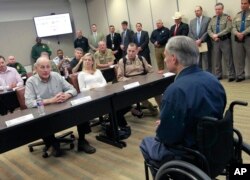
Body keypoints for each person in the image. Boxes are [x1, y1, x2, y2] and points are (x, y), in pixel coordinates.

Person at [140, 36, 226, 177]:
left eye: (165, 55)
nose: (165, 59)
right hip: (216, 144)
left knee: (147, 143)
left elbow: (167, 137)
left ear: (174, 58)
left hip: (190, 154)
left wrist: (163, 126)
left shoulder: (175, 90)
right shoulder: (213, 79)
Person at [25, 56, 96, 157]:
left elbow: (73, 90)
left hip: (61, 108)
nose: (46, 70)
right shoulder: (31, 81)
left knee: (80, 109)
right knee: (43, 122)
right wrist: (50, 100)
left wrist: (66, 95)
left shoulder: (56, 76)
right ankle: (52, 144)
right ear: (36, 68)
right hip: (45, 113)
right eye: (42, 67)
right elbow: (29, 103)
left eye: (48, 67)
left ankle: (82, 141)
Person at [78, 53, 131, 136]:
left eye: (89, 60)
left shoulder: (98, 71)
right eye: (85, 60)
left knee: (123, 104)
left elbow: (105, 83)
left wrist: (95, 86)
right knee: (112, 106)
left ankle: (117, 125)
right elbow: (82, 90)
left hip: (104, 94)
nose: (87, 61)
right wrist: (90, 88)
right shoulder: (81, 74)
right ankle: (116, 127)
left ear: (92, 62)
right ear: (83, 61)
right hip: (92, 97)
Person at [117, 43, 160, 117]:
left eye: (133, 51)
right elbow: (120, 77)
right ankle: (152, 109)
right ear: (126, 50)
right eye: (129, 50)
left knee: (158, 92)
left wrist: (149, 78)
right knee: (141, 97)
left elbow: (150, 70)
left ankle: (164, 112)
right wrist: (129, 80)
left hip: (144, 82)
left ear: (137, 51)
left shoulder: (141, 58)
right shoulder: (122, 61)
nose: (130, 53)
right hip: (132, 85)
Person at [207, 2, 236, 81]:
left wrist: (217, 35)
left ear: (222, 9)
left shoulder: (227, 17)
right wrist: (213, 36)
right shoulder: (213, 19)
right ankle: (218, 75)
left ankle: (231, 75)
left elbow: (228, 28)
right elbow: (209, 29)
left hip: (225, 40)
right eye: (216, 9)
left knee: (228, 59)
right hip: (215, 42)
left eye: (219, 9)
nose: (217, 11)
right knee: (217, 60)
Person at [188, 6, 212, 72]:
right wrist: (195, 41)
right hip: (196, 44)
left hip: (204, 43)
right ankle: (199, 75)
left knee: (206, 62)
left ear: (201, 11)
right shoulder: (192, 21)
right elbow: (190, 33)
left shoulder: (208, 19)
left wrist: (201, 40)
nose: (196, 12)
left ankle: (208, 77)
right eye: (195, 11)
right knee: (198, 62)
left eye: (198, 10)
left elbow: (208, 31)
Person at [232, 0, 250, 82]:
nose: (243, 5)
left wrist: (243, 33)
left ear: (249, 4)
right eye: (242, 3)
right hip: (238, 39)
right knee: (239, 58)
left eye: (245, 3)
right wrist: (237, 33)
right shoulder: (237, 15)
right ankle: (240, 76)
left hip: (248, 38)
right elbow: (233, 27)